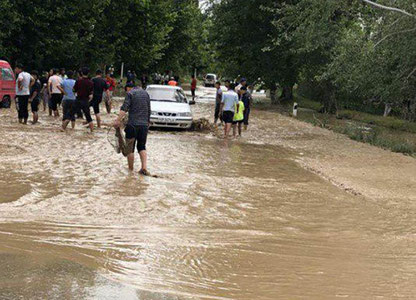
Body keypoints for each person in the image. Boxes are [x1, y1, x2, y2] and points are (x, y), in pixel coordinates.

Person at [113, 81, 151, 176]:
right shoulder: (145, 93)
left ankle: (130, 171)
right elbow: (149, 109)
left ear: (128, 88)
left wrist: (117, 120)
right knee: (142, 146)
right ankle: (144, 167)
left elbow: (124, 108)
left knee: (130, 148)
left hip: (132, 125)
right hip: (144, 125)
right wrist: (148, 122)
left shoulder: (130, 93)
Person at [74, 67, 94, 132]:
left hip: (78, 100)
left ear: (82, 73)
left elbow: (74, 90)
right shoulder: (90, 82)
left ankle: (63, 128)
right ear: (88, 73)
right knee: (88, 117)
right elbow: (91, 94)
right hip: (85, 101)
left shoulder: (78, 81)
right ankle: (92, 131)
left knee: (70, 114)